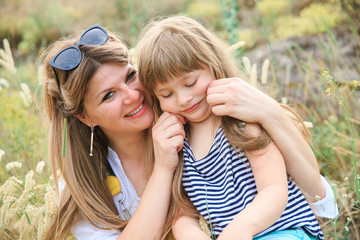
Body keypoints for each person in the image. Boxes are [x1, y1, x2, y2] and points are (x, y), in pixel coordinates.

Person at [40, 23, 337, 240]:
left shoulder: (223, 120)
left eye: (131, 76)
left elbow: (316, 197)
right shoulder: (83, 183)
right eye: (108, 95)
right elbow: (183, 214)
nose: (132, 96)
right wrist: (164, 168)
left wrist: (269, 111)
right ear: (84, 116)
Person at [136, 16, 336, 240]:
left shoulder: (241, 122)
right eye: (167, 94)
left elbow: (274, 189)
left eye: (190, 83)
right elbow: (182, 215)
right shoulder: (178, 144)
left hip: (284, 231)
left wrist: (240, 230)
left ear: (213, 65)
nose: (183, 99)